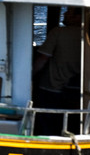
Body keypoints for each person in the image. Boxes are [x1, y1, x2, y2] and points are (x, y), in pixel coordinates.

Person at [33, 7, 82, 135]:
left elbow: (43, 59)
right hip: (77, 90)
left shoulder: (58, 32)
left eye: (69, 12)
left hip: (51, 87)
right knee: (71, 123)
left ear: (78, 17)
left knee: (47, 124)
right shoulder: (88, 34)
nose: (65, 14)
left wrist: (29, 76)